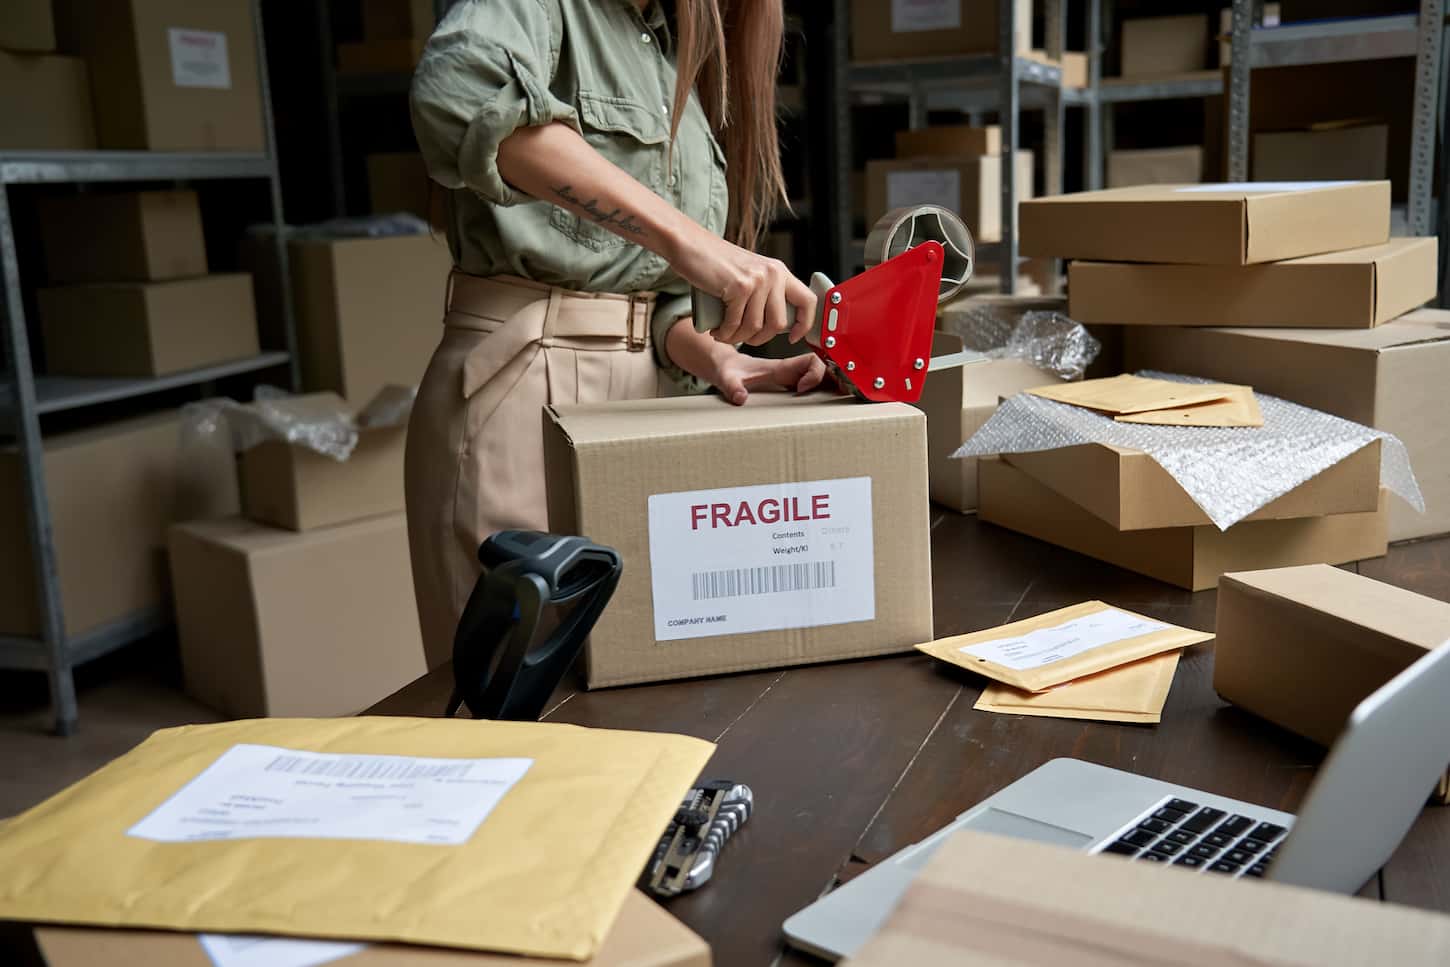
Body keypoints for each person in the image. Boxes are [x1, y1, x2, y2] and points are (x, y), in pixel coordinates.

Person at [406, 0, 823, 668]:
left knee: (638, 682)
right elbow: (457, 93)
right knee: (526, 707)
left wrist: (719, 358)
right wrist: (692, 243)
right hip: (529, 384)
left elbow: (639, 290)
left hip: (645, 401)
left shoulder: (660, 55)